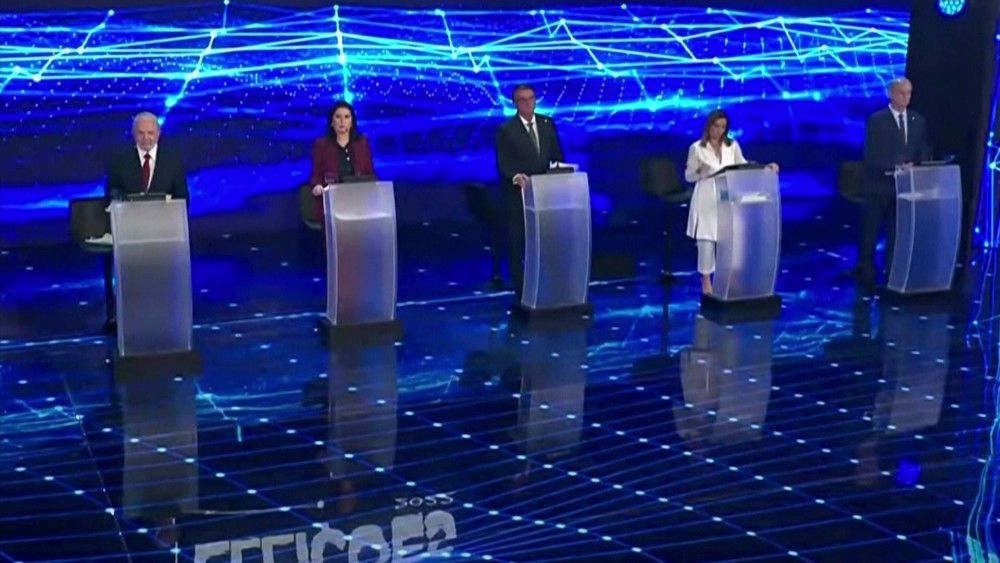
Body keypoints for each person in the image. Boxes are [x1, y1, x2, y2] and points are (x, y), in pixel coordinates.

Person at [685, 109, 778, 295]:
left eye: (723, 127)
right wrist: (700, 172)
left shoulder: (732, 146)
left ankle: (731, 279)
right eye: (716, 126)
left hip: (727, 196)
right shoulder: (697, 148)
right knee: (706, 241)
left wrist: (765, 168)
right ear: (709, 126)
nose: (719, 130)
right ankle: (706, 282)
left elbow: (742, 166)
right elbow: (688, 176)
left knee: (732, 239)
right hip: (706, 198)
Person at [857, 77, 931, 285]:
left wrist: (917, 164)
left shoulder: (917, 120)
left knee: (896, 230)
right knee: (871, 229)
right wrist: (895, 166)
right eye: (902, 93)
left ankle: (892, 270)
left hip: (905, 187)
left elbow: (922, 149)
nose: (906, 97)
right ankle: (865, 269)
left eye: (909, 93)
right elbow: (872, 152)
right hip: (879, 185)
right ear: (891, 94)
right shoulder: (877, 120)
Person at [494, 84, 566, 294]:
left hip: (546, 194)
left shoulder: (547, 124)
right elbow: (502, 163)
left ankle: (549, 282)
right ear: (515, 103)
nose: (528, 103)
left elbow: (557, 155)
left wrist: (561, 170)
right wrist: (515, 176)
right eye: (523, 100)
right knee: (518, 241)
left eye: (531, 98)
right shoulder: (506, 129)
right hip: (519, 196)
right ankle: (521, 288)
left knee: (546, 239)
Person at [309, 101, 376, 220]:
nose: (342, 121)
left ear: (352, 122)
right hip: (332, 202)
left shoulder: (362, 143)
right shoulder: (321, 145)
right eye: (338, 117)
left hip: (358, 201)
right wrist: (317, 186)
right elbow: (316, 174)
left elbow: (369, 173)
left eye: (346, 117)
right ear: (331, 122)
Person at [105, 112, 189, 200]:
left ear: (158, 133)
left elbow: (181, 196)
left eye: (150, 133)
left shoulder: (172, 160)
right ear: (134, 133)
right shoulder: (120, 160)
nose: (146, 138)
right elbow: (112, 191)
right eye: (141, 133)